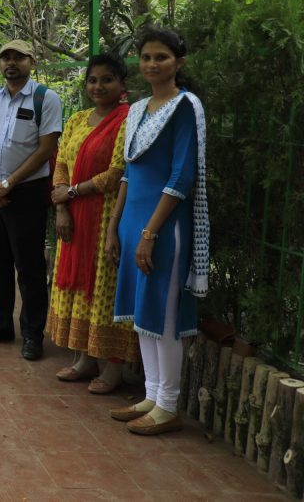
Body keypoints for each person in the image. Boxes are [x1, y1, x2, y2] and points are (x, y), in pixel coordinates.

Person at [106, 29, 208, 435]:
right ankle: (151, 393)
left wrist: (150, 232)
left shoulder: (185, 107)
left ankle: (168, 404)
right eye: (146, 57)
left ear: (178, 62)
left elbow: (182, 174)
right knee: (143, 312)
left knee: (164, 314)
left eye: (161, 57)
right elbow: (130, 173)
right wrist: (116, 226)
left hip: (163, 225)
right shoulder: (139, 109)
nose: (151, 64)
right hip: (134, 221)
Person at [46, 54, 138, 394]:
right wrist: (62, 207)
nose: (98, 86)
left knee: (103, 288)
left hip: (105, 217)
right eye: (93, 80)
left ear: (123, 85)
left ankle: (111, 367)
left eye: (107, 80)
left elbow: (116, 173)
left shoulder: (127, 120)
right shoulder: (78, 119)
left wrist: (70, 193)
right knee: (74, 289)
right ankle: (83, 359)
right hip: (72, 216)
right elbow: (61, 164)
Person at [0, 39, 62, 361]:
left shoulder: (44, 99)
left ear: (31, 62)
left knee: (29, 265)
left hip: (25, 195)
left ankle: (33, 334)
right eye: (5, 57)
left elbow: (46, 148)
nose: (11, 63)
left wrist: (8, 184)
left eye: (19, 58)